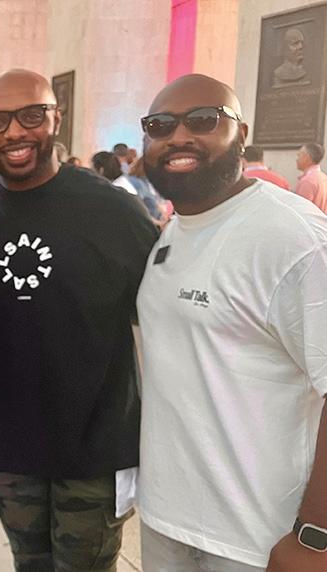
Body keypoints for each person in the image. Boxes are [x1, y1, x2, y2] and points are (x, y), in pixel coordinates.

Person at [0, 68, 157, 572]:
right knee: (30, 564)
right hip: (9, 444)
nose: (15, 132)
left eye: (31, 115)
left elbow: (154, 311)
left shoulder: (114, 211)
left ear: (56, 119)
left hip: (96, 446)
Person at [137, 73, 327, 572]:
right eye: (160, 126)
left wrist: (315, 536)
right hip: (165, 522)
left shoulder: (295, 237)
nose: (178, 136)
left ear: (241, 134)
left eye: (203, 120)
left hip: (257, 541)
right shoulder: (174, 231)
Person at [295, 142, 327, 213]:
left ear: (307, 157)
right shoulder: (323, 177)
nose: (296, 159)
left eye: (299, 155)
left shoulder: (307, 181)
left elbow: (301, 210)